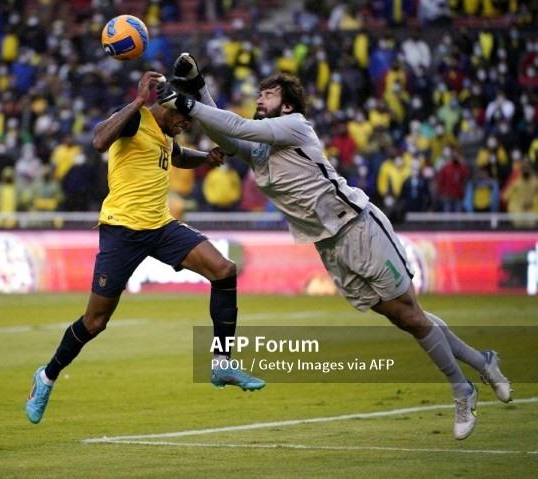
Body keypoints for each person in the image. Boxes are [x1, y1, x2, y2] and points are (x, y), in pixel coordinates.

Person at [157, 55, 512, 440]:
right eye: (260, 92)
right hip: (328, 245)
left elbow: (237, 125)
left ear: (287, 105)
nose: (261, 97)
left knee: (411, 315)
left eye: (269, 93)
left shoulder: (294, 126)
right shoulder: (259, 150)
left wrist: (186, 101)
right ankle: (484, 361)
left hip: (357, 225)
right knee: (406, 316)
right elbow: (228, 136)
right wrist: (198, 86)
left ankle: (462, 389)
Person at [25, 71, 265, 425]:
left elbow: (178, 155)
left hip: (161, 227)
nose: (187, 124)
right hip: (121, 231)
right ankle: (45, 377)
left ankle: (221, 362)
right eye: (186, 117)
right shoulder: (135, 118)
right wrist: (137, 100)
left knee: (224, 270)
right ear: (168, 107)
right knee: (95, 321)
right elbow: (97, 140)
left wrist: (207, 158)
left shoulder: (165, 136)